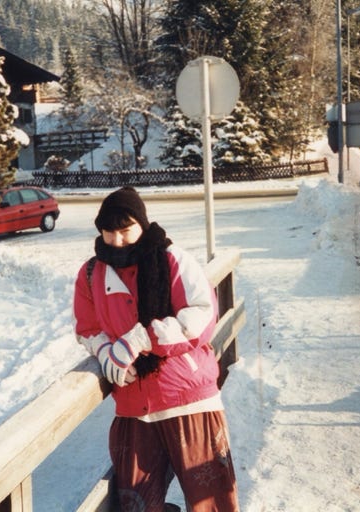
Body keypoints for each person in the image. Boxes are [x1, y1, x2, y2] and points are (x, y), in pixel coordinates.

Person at [73, 186, 239, 512]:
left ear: (142, 224)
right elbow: (87, 327)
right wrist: (105, 352)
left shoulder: (172, 259)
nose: (117, 240)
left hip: (189, 400)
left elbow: (202, 315)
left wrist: (140, 339)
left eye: (126, 230)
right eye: (109, 232)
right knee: (138, 506)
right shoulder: (92, 273)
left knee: (212, 503)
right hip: (134, 409)